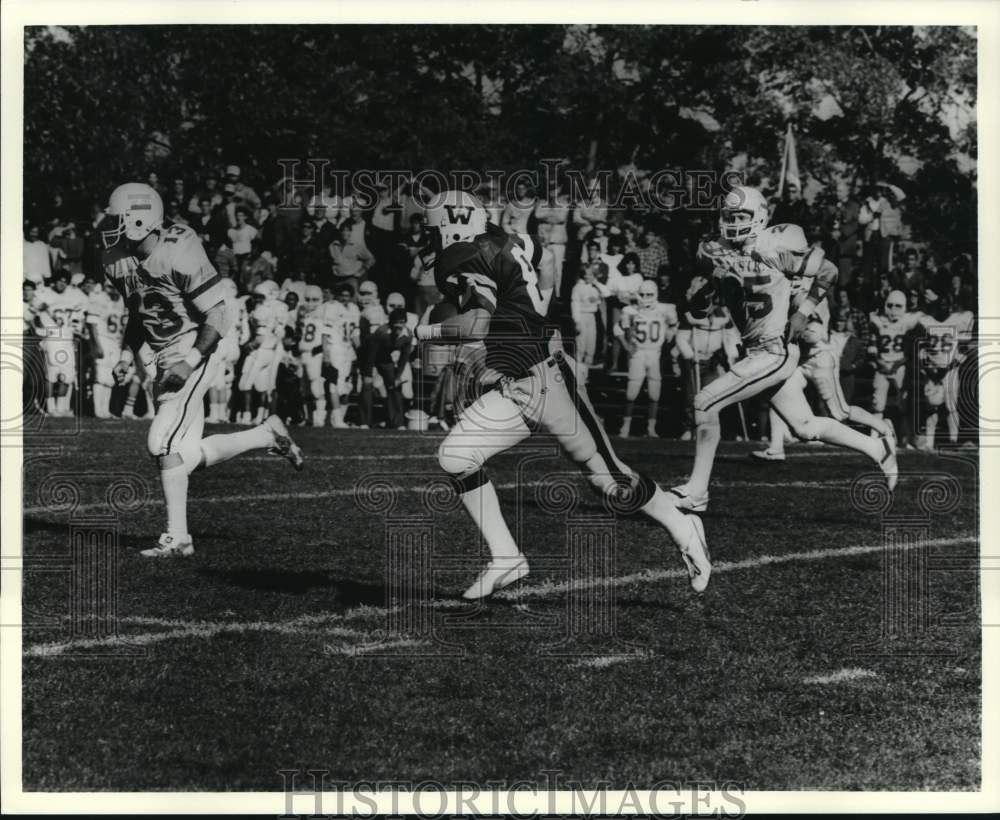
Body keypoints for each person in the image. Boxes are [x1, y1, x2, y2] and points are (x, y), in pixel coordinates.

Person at [413, 190, 711, 599]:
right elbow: (547, 259)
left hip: (546, 379)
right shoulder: (504, 237)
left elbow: (478, 322)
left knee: (610, 482)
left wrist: (427, 331)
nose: (429, 238)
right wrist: (540, 312)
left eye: (431, 230)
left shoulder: (459, 257)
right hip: (516, 380)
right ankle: (506, 557)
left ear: (448, 226)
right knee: (456, 456)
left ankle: (682, 525)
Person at [99, 182, 303, 558]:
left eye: (116, 219)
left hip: (198, 348)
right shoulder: (118, 259)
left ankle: (179, 538)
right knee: (185, 454)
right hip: (164, 354)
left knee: (161, 441)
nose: (109, 226)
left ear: (141, 221)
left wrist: (190, 359)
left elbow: (218, 315)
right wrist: (128, 355)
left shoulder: (179, 250)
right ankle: (266, 435)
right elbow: (138, 312)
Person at [668, 185, 897, 512]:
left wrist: (803, 312)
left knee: (705, 403)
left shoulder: (773, 246)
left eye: (742, 215)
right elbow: (715, 287)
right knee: (804, 427)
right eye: (730, 216)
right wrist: (704, 293)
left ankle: (697, 492)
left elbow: (829, 271)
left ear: (759, 216)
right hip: (756, 352)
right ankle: (878, 450)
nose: (734, 222)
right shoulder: (715, 250)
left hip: (774, 351)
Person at [751, 281, 893, 462]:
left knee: (839, 412)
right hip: (801, 359)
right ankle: (776, 448)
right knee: (778, 391)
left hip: (820, 359)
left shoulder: (812, 298)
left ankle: (884, 428)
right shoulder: (792, 293)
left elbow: (812, 333)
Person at [617, 280, 677, 438]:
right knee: (631, 392)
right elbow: (617, 328)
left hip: (655, 353)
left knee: (654, 393)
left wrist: (669, 336)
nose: (645, 298)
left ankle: (651, 428)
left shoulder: (666, 309)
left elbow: (674, 324)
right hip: (638, 353)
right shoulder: (631, 310)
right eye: (642, 294)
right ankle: (625, 426)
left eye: (649, 294)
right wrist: (625, 345)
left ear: (655, 294)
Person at [868, 289, 926, 433]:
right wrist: (879, 362)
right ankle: (875, 435)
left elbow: (917, 341)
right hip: (881, 365)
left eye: (898, 306)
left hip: (900, 366)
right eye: (890, 305)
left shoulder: (909, 321)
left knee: (904, 402)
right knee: (877, 403)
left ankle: (905, 437)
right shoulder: (877, 320)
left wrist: (899, 363)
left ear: (904, 306)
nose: (893, 310)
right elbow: (872, 346)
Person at [35, 268, 88, 417]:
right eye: (60, 281)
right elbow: (35, 308)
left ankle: (62, 407)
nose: (62, 284)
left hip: (67, 337)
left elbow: (81, 311)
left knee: (68, 373)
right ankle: (51, 408)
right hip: (52, 337)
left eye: (65, 282)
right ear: (54, 281)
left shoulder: (72, 295)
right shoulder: (44, 293)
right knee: (52, 373)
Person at [85, 280, 129, 419]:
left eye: (117, 287)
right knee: (100, 375)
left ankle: (105, 410)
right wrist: (96, 344)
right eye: (112, 287)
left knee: (111, 376)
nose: (115, 291)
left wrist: (122, 343)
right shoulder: (99, 299)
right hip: (103, 338)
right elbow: (91, 324)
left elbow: (125, 325)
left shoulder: (123, 301)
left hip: (115, 341)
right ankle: (98, 410)